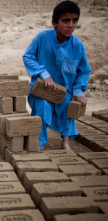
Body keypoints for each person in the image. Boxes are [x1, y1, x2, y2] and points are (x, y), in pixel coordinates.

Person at [23, 1, 91, 150]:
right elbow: (28, 56)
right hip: (42, 88)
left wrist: (78, 91)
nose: (70, 25)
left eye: (74, 20)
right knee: (42, 106)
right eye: (66, 20)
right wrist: (44, 74)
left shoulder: (78, 45)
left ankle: (65, 142)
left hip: (65, 89)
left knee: (68, 105)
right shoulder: (42, 37)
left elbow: (84, 71)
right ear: (54, 22)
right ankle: (40, 142)